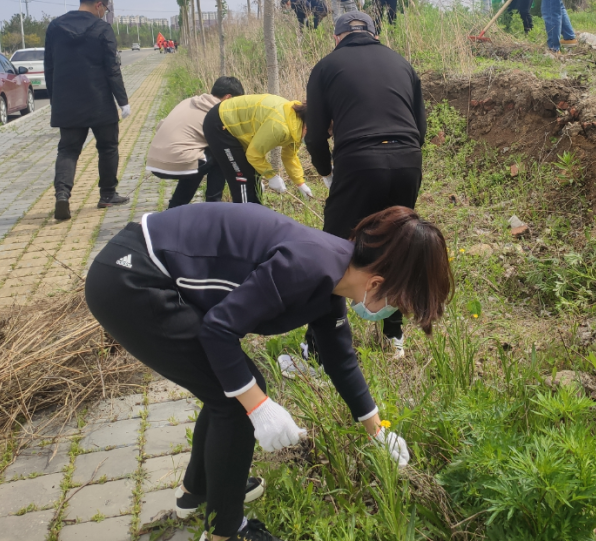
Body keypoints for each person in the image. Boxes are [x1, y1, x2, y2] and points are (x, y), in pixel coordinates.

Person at [85, 203, 454, 541]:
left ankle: (197, 492)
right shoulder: (307, 266)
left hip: (142, 268)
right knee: (237, 399)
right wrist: (259, 407)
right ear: (377, 284)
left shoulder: (333, 276)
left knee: (227, 391)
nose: (392, 313)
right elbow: (218, 330)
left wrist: (378, 432)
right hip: (132, 278)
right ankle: (225, 533)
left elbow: (341, 360)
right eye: (399, 305)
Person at [304, 11, 427, 359]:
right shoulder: (402, 63)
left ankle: (318, 346)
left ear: (337, 37)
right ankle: (394, 335)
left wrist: (327, 173)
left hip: (358, 162)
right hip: (407, 160)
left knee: (332, 251)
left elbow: (314, 135)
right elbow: (420, 128)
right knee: (398, 244)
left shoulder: (326, 66)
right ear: (375, 34)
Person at [44, 0, 131, 222]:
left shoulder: (55, 27)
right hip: (99, 100)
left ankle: (62, 194)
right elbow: (112, 68)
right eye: (105, 8)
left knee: (68, 150)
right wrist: (123, 102)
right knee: (108, 147)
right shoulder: (102, 29)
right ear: (99, 4)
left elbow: (49, 67)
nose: (104, 13)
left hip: (67, 103)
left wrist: (55, 100)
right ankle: (107, 194)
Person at [147, 76, 245, 209]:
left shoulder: (189, 101)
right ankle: (214, 205)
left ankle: (175, 208)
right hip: (174, 162)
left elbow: (160, 126)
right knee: (220, 156)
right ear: (228, 97)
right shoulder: (218, 114)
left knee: (195, 160)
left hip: (154, 161)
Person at [202, 93, 313, 205]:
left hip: (237, 129)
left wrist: (300, 183)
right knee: (243, 179)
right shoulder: (280, 126)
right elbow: (254, 154)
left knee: (254, 176)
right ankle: (244, 220)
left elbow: (289, 156)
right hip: (221, 122)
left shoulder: (297, 126)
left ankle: (255, 217)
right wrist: (271, 176)